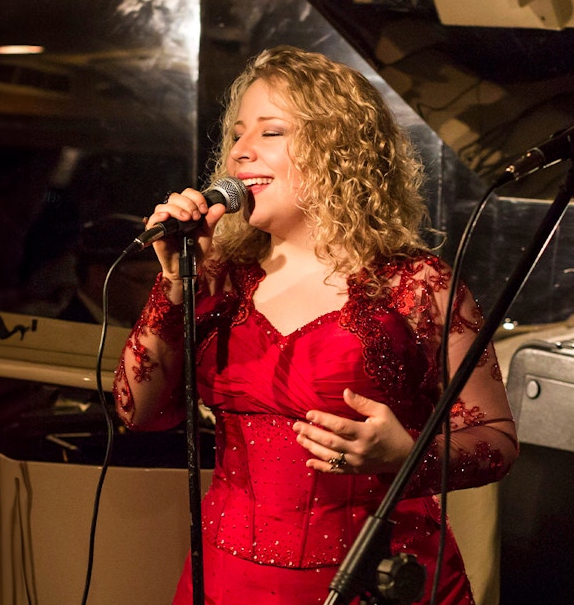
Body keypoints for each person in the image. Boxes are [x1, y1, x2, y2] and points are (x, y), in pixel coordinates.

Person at [113, 46, 518, 605]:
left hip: (378, 578)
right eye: (236, 135)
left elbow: (496, 440)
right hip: (230, 581)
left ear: (338, 151)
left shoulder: (415, 285)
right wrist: (176, 286)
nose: (240, 153)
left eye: (270, 132)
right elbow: (141, 413)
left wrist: (408, 456)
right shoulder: (217, 278)